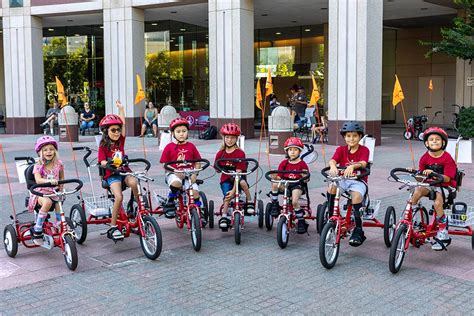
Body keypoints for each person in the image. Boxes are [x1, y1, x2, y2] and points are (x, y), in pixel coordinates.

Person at [98, 100, 139, 240]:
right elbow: (101, 161)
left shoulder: (121, 141)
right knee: (119, 197)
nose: (117, 132)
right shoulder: (103, 146)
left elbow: (124, 123)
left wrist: (121, 109)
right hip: (112, 175)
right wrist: (108, 163)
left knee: (135, 183)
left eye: (118, 130)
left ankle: (139, 208)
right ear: (106, 132)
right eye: (113, 130)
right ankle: (113, 226)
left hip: (124, 171)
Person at [409, 127, 456, 250]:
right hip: (429, 185)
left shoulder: (447, 158)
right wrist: (416, 173)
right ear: (426, 143)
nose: (434, 141)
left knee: (437, 203)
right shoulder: (425, 157)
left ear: (443, 142)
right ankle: (410, 215)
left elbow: (448, 178)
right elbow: (420, 177)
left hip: (444, 185)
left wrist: (433, 173)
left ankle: (442, 230)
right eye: (431, 139)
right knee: (417, 191)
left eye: (437, 139)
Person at [326, 121, 370, 246]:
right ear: (344, 137)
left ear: (360, 137)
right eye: (348, 136)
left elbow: (363, 163)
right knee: (332, 188)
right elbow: (333, 160)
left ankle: (358, 229)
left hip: (358, 180)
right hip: (343, 179)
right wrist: (333, 166)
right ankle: (332, 218)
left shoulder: (364, 150)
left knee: (356, 196)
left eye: (355, 136)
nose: (351, 139)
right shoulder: (341, 149)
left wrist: (354, 166)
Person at [159, 117, 206, 224]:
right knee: (176, 183)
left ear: (187, 132)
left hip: (189, 174)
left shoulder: (191, 146)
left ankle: (199, 210)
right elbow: (164, 164)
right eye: (178, 131)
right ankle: (170, 201)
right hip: (173, 173)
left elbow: (198, 161)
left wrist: (195, 173)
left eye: (184, 131)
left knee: (195, 192)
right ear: (173, 133)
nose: (181, 134)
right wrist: (175, 171)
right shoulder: (169, 147)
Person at [214, 123, 254, 230]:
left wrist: (233, 191)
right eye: (227, 137)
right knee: (227, 196)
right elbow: (217, 169)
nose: (229, 140)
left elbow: (239, 173)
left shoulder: (240, 153)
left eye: (232, 137)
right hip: (226, 179)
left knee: (242, 182)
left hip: (238, 177)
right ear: (223, 138)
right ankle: (224, 216)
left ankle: (249, 201)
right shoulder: (220, 154)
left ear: (236, 138)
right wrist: (219, 167)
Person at [269, 137, 310, 234]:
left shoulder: (302, 164)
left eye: (295, 150)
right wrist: (275, 176)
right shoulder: (284, 163)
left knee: (295, 202)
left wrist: (305, 176)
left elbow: (307, 178)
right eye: (290, 150)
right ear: (287, 151)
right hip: (286, 185)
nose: (292, 152)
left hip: (297, 185)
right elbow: (279, 176)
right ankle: (274, 204)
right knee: (274, 183)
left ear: (299, 151)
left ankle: (301, 220)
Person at [28, 136, 64, 244]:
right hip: (40, 192)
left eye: (51, 149)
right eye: (45, 150)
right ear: (40, 152)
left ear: (55, 151)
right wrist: (49, 181)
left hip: (53, 192)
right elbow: (38, 180)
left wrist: (61, 188)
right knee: (47, 202)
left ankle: (58, 222)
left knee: (58, 202)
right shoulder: (39, 165)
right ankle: (38, 228)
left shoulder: (59, 164)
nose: (49, 152)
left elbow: (61, 177)